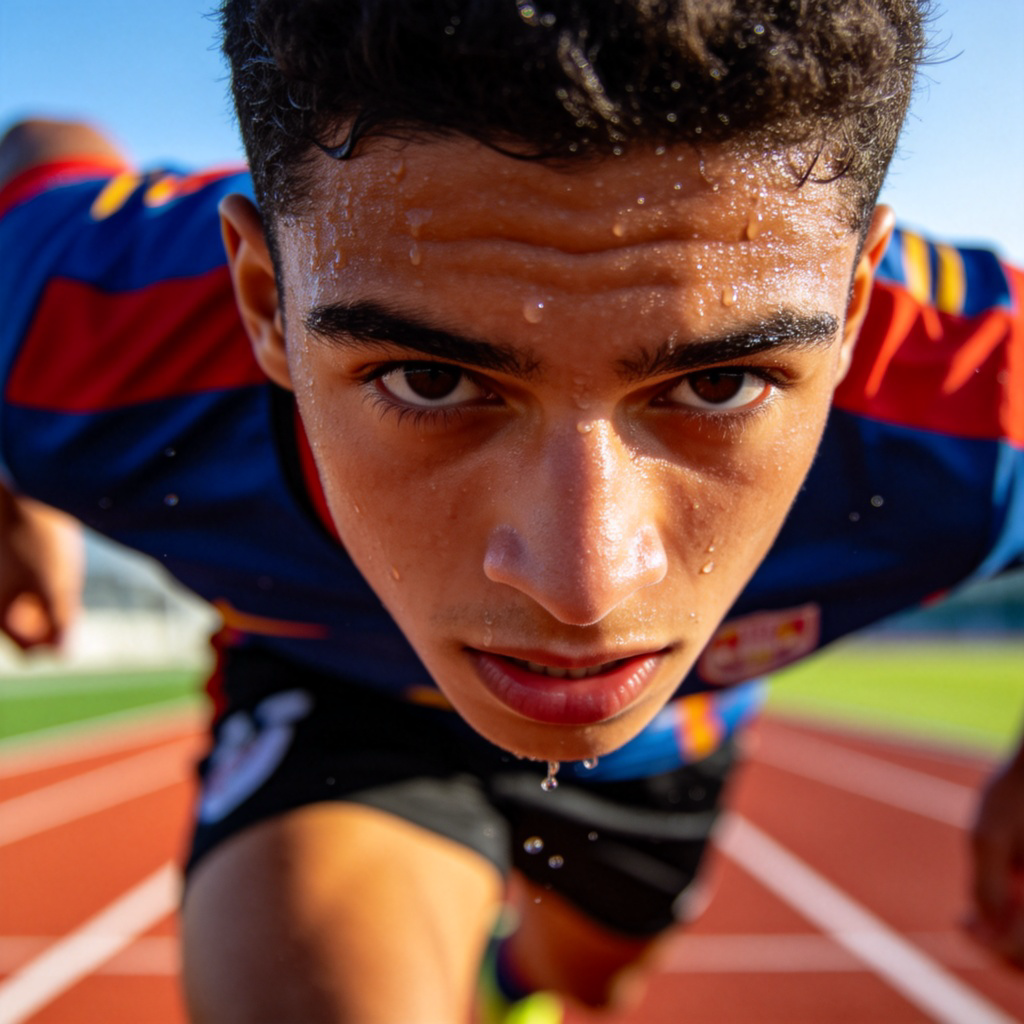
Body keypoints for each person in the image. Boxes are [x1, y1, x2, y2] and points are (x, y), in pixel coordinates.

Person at [1, 2, 1022, 1021]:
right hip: (341, 685)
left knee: (587, 981)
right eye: (431, 379)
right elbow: (41, 150)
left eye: (719, 385)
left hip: (667, 731)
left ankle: (517, 983)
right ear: (263, 301)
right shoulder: (77, 336)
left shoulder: (978, 400)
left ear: (853, 309)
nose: (578, 586)